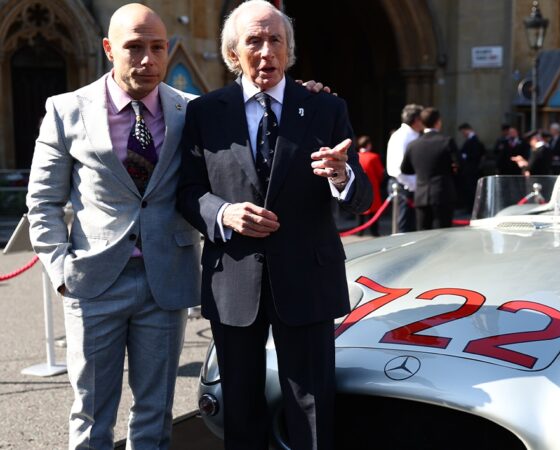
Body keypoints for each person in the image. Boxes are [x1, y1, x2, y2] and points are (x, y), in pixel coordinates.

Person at [176, 1, 371, 449]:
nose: (266, 51)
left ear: (289, 49)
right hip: (234, 279)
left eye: (275, 40)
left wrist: (342, 176)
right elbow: (186, 192)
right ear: (233, 53)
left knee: (312, 406)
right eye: (254, 41)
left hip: (308, 277)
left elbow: (361, 199)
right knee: (240, 410)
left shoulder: (325, 108)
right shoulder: (205, 113)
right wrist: (223, 214)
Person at [25, 4, 198, 449]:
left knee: (156, 412)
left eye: (157, 47)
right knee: (91, 415)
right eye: (134, 48)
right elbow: (42, 202)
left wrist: (306, 96)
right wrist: (62, 273)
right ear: (108, 49)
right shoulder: (66, 110)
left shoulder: (190, 111)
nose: (148, 59)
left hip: (165, 283)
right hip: (94, 283)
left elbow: (250, 120)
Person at [400, 107, 459, 230]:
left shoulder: (413, 144)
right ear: (438, 122)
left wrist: (421, 170)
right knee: (443, 234)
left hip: (421, 195)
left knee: (423, 234)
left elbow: (405, 169)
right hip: (442, 194)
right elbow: (460, 165)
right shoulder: (447, 141)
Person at [386, 104, 424, 232]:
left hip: (410, 186)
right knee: (403, 227)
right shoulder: (402, 136)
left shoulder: (413, 135)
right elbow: (399, 168)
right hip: (403, 186)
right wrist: (413, 186)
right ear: (416, 120)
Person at [356, 135, 385, 236]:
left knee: (360, 211)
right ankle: (374, 232)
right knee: (373, 213)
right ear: (368, 145)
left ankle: (360, 231)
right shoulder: (374, 157)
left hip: (358, 188)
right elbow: (380, 174)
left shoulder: (355, 156)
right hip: (372, 188)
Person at [456, 122, 486, 210]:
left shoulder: (474, 140)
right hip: (470, 169)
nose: (463, 134)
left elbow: (475, 154)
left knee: (471, 189)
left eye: (463, 132)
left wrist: (464, 156)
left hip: (472, 169)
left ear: (467, 130)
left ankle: (471, 208)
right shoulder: (471, 140)